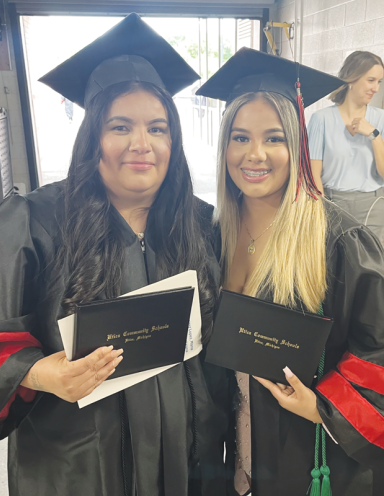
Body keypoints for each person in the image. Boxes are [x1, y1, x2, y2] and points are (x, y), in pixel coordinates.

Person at [0, 14, 229, 496]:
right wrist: (38, 371)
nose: (142, 144)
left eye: (157, 128)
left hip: (189, 457)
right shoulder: (32, 224)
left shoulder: (200, 223)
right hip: (79, 466)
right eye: (121, 126)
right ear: (92, 135)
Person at [197, 48, 384, 496]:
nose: (255, 154)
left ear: (297, 144)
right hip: (233, 443)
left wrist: (324, 406)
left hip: (306, 449)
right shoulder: (210, 234)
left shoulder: (336, 239)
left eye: (274, 138)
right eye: (239, 137)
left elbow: (377, 347)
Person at [308, 51, 384, 243]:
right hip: (333, 205)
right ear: (352, 79)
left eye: (379, 82)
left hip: (373, 208)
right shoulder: (321, 120)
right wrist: (321, 212)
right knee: (335, 269)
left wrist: (374, 135)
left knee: (373, 270)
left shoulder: (380, 120)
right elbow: (313, 174)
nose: (375, 88)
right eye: (371, 80)